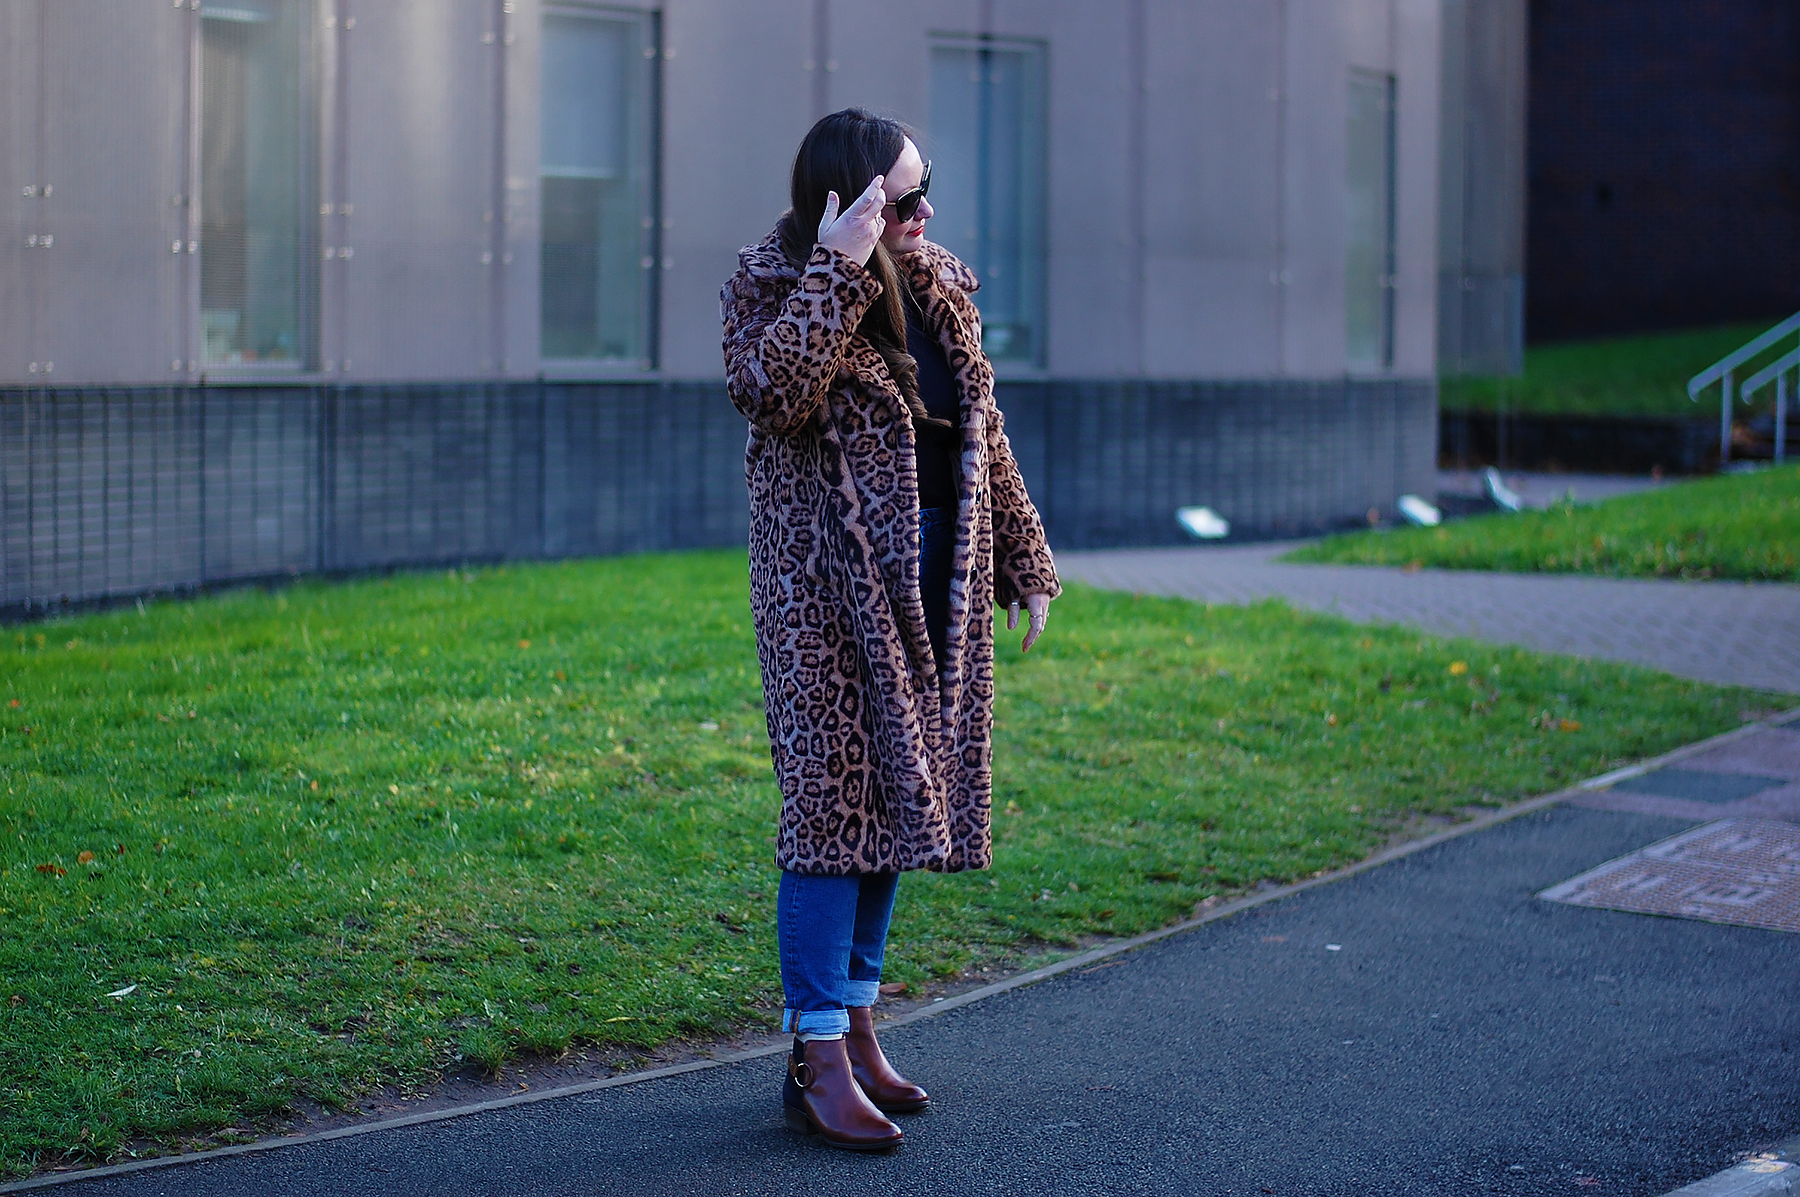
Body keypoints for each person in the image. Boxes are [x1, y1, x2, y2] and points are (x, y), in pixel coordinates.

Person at [720, 108, 1060, 1151]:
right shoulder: (773, 285)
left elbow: (982, 431)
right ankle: (813, 1055)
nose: (925, 214)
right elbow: (770, 392)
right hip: (823, 597)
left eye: (925, 193)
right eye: (903, 200)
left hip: (932, 577)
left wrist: (1022, 556)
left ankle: (859, 1023)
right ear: (849, 201)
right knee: (832, 815)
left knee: (901, 798)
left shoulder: (942, 286)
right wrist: (838, 271)